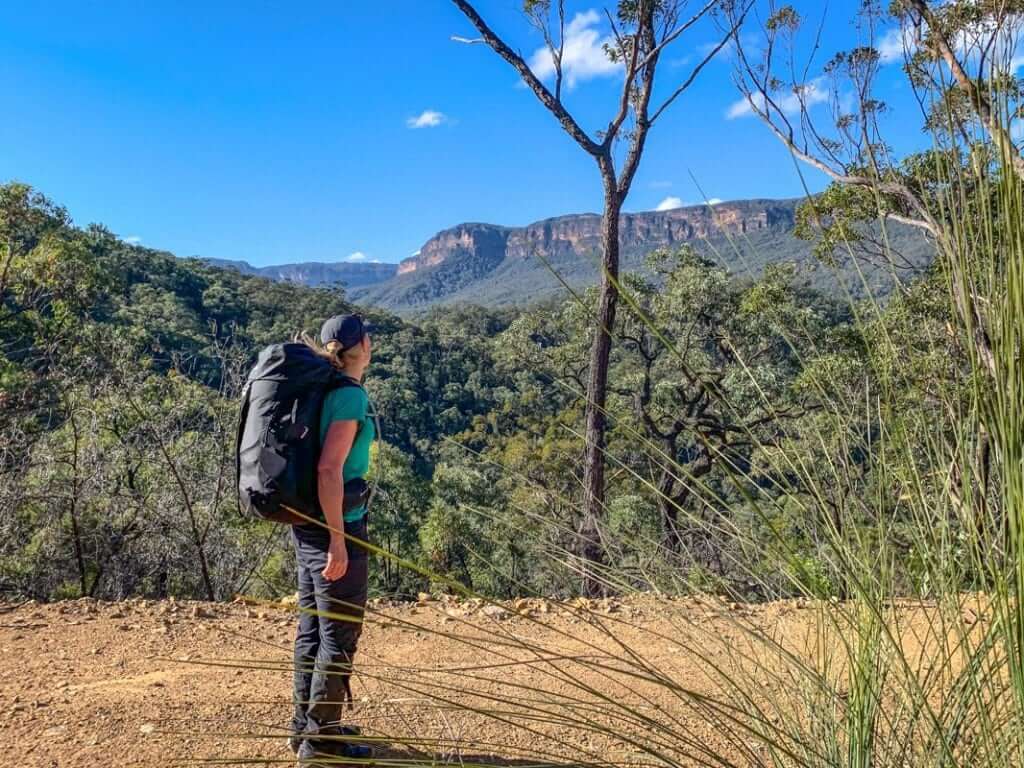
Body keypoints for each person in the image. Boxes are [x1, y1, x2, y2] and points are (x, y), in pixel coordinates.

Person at [290, 313, 376, 765]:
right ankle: (321, 746)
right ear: (360, 345)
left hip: (306, 524)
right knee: (338, 635)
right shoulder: (348, 396)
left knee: (312, 630)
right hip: (334, 526)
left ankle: (305, 729)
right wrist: (339, 541)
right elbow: (329, 469)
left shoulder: (322, 387)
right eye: (367, 335)